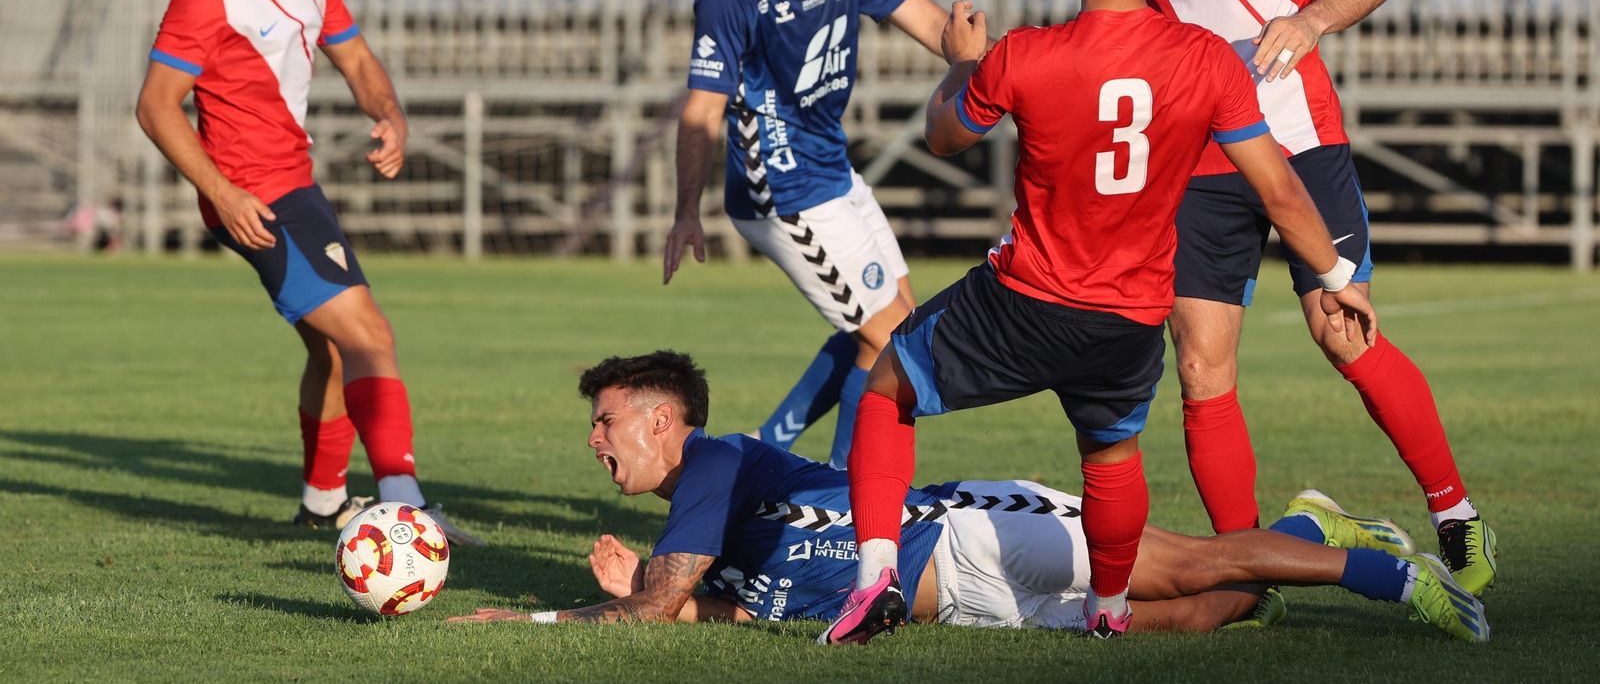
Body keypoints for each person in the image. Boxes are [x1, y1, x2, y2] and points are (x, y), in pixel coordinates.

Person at [822, 0, 1380, 644]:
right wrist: (1334, 274)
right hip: (1129, 316)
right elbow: (1283, 193)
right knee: (1111, 457)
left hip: (1024, 302)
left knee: (886, 386)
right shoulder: (1207, 61)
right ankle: (1110, 613)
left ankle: (875, 577)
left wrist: (962, 62)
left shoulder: (1026, 55)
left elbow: (943, 136)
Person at [1107, 0, 1495, 594]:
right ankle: (1244, 573)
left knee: (1340, 330)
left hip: (1299, 134)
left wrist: (1312, 19)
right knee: (1202, 369)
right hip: (1199, 153)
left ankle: (1456, 516)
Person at [445, 350, 1486, 644]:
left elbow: (650, 613)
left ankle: (1399, 577)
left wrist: (531, 613)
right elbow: (707, 609)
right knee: (1206, 613)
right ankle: (1311, 528)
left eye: (607, 421)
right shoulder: (702, 519)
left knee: (1202, 562)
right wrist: (669, 597)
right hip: (979, 603)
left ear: (665, 423)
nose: (594, 442)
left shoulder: (710, 467)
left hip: (973, 534)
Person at [134, 0, 480, 545]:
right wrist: (224, 195)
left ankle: (323, 503)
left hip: (296, 183)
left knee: (330, 348)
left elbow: (353, 56)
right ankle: (406, 508)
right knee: (370, 335)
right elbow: (155, 105)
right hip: (256, 198)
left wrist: (389, 114)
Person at [662, 0, 951, 468]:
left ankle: (765, 451)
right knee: (891, 341)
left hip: (831, 166)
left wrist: (1000, 65)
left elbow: (931, 24)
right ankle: (848, 502)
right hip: (781, 189)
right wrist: (688, 209)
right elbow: (702, 107)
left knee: (898, 323)